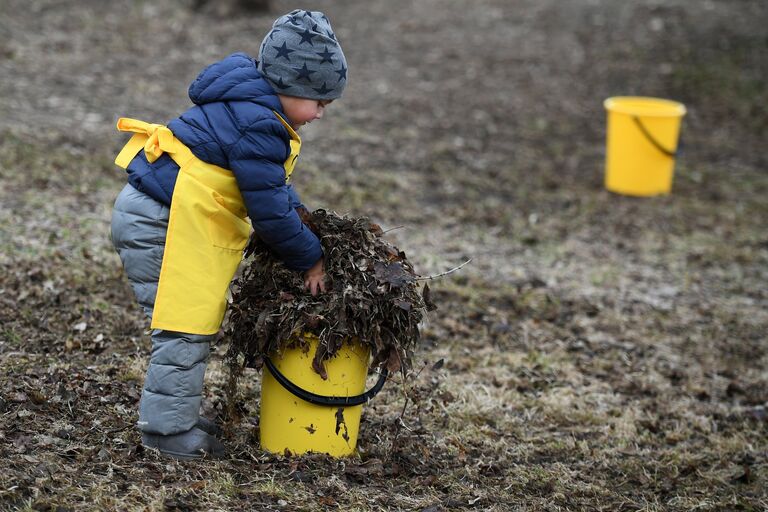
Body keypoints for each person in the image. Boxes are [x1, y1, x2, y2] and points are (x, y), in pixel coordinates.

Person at [110, 9, 346, 460]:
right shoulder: (259, 124)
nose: (320, 113)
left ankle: (175, 415)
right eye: (318, 101)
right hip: (160, 223)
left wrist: (303, 216)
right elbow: (269, 212)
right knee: (185, 326)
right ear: (288, 85)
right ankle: (167, 434)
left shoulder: (248, 108)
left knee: (190, 325)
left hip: (156, 213)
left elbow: (270, 187)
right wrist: (310, 257)